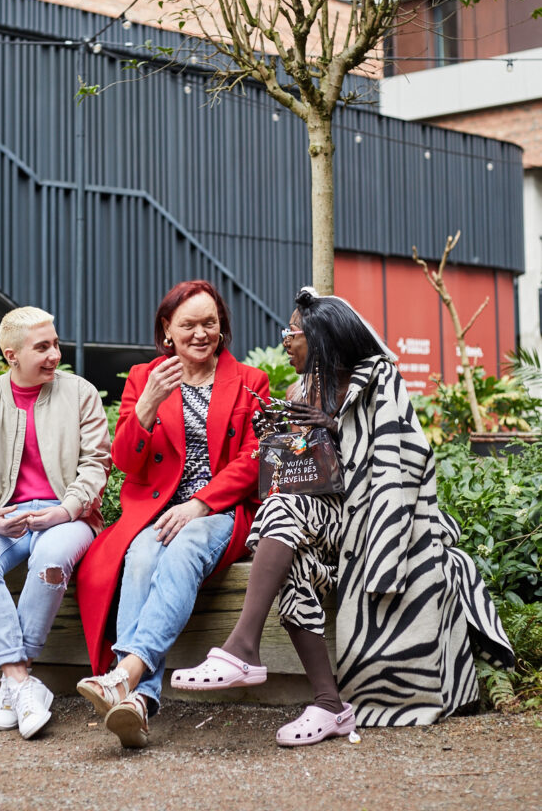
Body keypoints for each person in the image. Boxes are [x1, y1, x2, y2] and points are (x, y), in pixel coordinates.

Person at [172, 288, 514, 745]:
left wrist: (335, 427)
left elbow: (403, 466)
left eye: (290, 333)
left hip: (377, 527)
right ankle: (328, 703)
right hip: (330, 525)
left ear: (317, 336)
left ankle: (245, 650)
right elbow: (305, 481)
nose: (284, 343)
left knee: (282, 514)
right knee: (283, 526)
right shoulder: (301, 390)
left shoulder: (378, 382)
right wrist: (283, 443)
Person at [74, 280, 270, 748]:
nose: (200, 333)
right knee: (140, 558)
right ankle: (137, 703)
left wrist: (201, 502)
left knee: (183, 551)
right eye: (188, 324)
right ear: (167, 329)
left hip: (218, 509)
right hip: (156, 511)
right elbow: (123, 461)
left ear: (222, 327)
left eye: (209, 323)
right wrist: (144, 410)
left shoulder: (250, 380)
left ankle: (125, 673)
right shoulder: (146, 377)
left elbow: (256, 457)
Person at [0, 306, 111, 739]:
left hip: (67, 514)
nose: (54, 354)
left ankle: (13, 681)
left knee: (51, 558)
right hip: (4, 515)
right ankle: (21, 680)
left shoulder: (81, 394)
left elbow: (97, 464)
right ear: (11, 356)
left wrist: (66, 509)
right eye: (42, 347)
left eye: (55, 343)